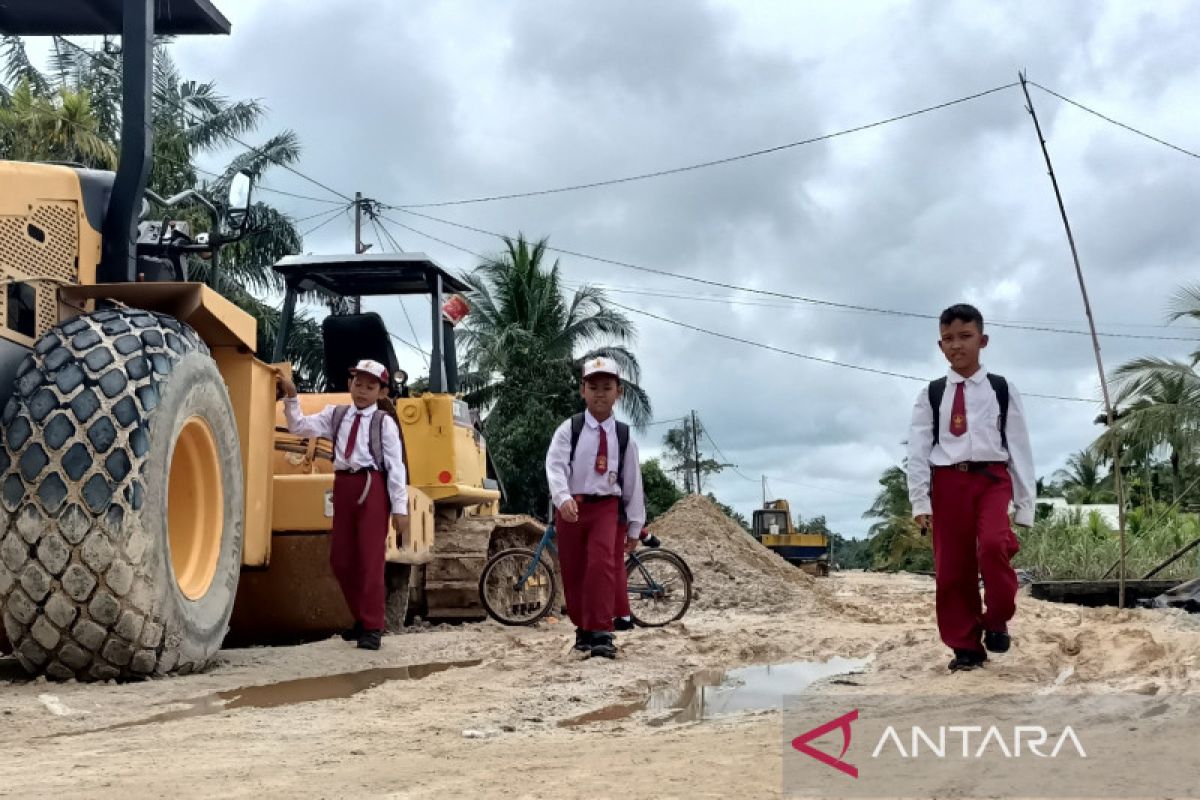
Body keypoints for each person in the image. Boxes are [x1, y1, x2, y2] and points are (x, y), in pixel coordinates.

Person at [906, 304, 1034, 672]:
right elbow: (917, 451)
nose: (956, 345)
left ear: (983, 339)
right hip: (948, 482)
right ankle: (966, 648)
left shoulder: (1001, 389)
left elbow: (1020, 447)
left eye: (965, 337)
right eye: (948, 339)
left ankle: (997, 617)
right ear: (940, 345)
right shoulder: (931, 394)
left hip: (993, 479)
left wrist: (1025, 504)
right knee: (952, 569)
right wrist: (920, 501)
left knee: (995, 546)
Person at [276, 359, 410, 651]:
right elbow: (299, 426)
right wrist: (291, 396)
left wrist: (400, 508)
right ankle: (362, 618)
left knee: (371, 560)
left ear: (381, 392)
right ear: (350, 384)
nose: (362, 391)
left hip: (371, 485)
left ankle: (373, 627)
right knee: (341, 560)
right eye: (358, 384)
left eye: (370, 386)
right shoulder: (335, 415)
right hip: (343, 485)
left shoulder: (383, 422)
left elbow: (396, 466)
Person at [546, 356, 646, 659]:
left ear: (619, 392)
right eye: (593, 387)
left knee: (601, 566)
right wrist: (562, 498)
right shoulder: (570, 429)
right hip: (572, 509)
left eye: (607, 387)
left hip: (606, 508)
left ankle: (603, 632)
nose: (600, 393)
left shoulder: (624, 437)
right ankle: (583, 630)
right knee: (574, 570)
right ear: (582, 391)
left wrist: (634, 526)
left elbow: (633, 483)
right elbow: (555, 465)